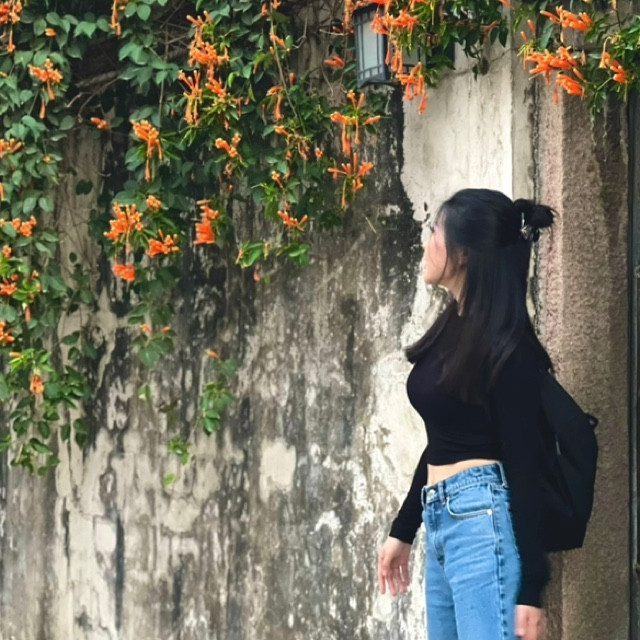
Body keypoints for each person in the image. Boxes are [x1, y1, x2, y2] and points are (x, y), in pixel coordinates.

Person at [377, 188, 555, 640]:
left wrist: (532, 587)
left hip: (480, 521)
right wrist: (405, 528)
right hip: (442, 518)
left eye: (434, 232)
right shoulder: (453, 328)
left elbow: (525, 462)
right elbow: (443, 439)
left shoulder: (508, 347)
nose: (426, 244)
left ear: (462, 254)